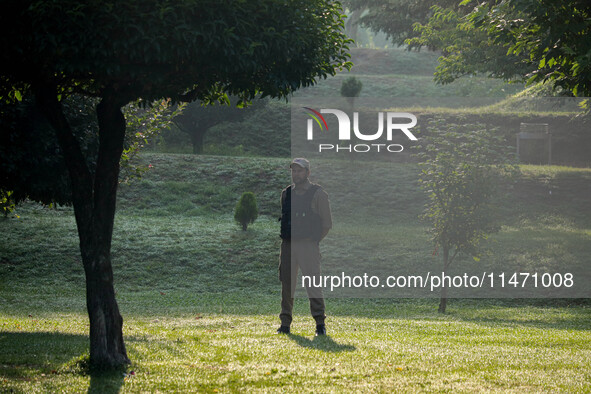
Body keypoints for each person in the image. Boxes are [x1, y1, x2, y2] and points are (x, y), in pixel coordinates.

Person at [277, 158, 332, 336]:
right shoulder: (286, 193)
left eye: (300, 171)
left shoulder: (318, 194)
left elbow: (327, 224)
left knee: (313, 284)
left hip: (308, 245)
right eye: (293, 171)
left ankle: (319, 324)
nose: (296, 174)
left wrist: (313, 241)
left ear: (308, 173)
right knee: (287, 284)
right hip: (288, 245)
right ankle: (285, 324)